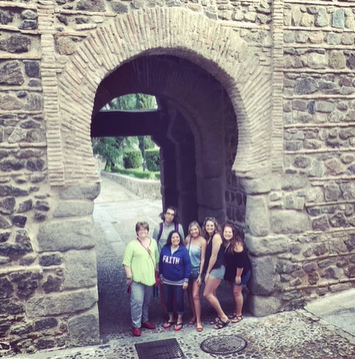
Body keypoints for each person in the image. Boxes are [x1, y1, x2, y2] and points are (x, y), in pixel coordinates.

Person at [123, 221, 159, 337]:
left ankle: (145, 320)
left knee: (146, 301)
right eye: (140, 229)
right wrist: (129, 276)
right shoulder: (131, 245)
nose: (143, 231)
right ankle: (136, 325)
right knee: (137, 302)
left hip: (149, 278)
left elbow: (156, 259)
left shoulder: (153, 242)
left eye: (145, 229)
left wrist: (157, 274)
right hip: (137, 279)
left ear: (148, 230)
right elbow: (126, 262)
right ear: (137, 231)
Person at [152, 206, 185, 313]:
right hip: (164, 264)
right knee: (164, 291)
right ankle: (167, 313)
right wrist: (156, 266)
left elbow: (183, 245)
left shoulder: (178, 227)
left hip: (176, 263)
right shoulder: (158, 228)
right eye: (168, 214)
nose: (170, 216)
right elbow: (154, 247)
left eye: (172, 215)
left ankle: (177, 312)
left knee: (177, 291)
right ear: (164, 214)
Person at [159, 231, 191, 331]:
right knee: (168, 300)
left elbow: (187, 265)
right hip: (166, 280)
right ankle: (171, 318)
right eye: (173, 237)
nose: (175, 239)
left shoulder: (183, 250)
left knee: (178, 300)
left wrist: (186, 280)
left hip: (179, 281)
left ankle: (180, 319)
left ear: (180, 239)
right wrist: (161, 275)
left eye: (177, 237)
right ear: (170, 239)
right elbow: (160, 263)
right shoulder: (165, 248)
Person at [202, 217, 229, 329]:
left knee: (206, 294)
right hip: (214, 268)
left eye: (211, 225)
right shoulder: (208, 238)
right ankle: (219, 315)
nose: (209, 227)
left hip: (218, 267)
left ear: (215, 226)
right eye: (207, 225)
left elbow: (214, 256)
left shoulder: (217, 237)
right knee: (212, 293)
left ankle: (224, 317)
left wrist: (207, 273)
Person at [223, 223, 252, 323]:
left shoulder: (237, 245)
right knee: (234, 292)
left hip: (241, 272)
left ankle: (239, 314)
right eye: (225, 232)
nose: (227, 234)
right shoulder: (226, 243)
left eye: (229, 232)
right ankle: (236, 311)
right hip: (233, 272)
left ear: (233, 233)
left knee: (237, 292)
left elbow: (240, 263)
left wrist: (238, 276)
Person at [184, 221, 206, 332]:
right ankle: (193, 315)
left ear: (199, 229)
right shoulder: (188, 239)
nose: (194, 231)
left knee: (195, 295)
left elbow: (203, 259)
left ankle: (198, 321)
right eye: (191, 230)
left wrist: (200, 275)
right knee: (189, 295)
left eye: (195, 229)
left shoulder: (202, 241)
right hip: (187, 271)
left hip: (197, 271)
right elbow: (183, 253)